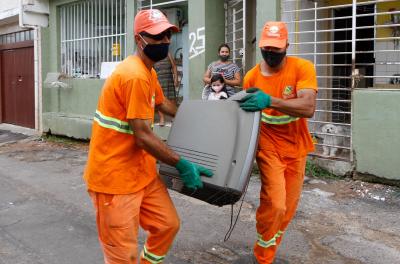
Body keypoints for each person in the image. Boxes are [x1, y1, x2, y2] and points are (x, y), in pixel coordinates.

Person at [83, 9, 213, 264]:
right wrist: (181, 163)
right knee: (123, 255)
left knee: (167, 225)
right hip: (114, 181)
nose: (164, 41)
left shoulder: (148, 71)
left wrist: (198, 120)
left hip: (140, 172)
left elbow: (164, 106)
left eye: (167, 35)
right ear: (139, 40)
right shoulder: (133, 75)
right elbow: (142, 136)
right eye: (156, 36)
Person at [237, 21, 318, 264]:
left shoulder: (302, 68)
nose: (271, 53)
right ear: (260, 46)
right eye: (267, 48)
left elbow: (308, 106)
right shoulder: (251, 77)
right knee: (276, 205)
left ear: (287, 47)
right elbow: (245, 118)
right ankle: (262, 257)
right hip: (268, 147)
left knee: (288, 208)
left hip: (297, 147)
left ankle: (267, 251)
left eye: (277, 48)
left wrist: (270, 101)